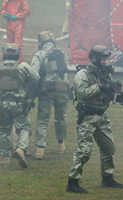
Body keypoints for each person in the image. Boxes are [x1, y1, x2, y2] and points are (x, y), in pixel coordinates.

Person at [66, 45, 123, 194]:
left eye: (107, 59)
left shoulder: (105, 75)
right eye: (103, 59)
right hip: (88, 116)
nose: (106, 62)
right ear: (96, 59)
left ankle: (108, 178)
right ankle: (72, 182)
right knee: (84, 150)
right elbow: (82, 93)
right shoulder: (83, 74)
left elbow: (108, 95)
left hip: (102, 115)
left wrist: (118, 95)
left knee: (108, 148)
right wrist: (99, 87)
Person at [0, 43, 40, 168]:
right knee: (24, 128)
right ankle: (21, 149)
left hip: (2, 104)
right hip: (18, 104)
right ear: (18, 53)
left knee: (4, 130)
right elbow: (36, 78)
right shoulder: (23, 66)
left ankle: (4, 158)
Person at [30, 31, 70, 160]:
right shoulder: (62, 53)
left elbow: (33, 73)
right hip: (63, 89)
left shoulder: (40, 54)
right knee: (61, 117)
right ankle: (60, 144)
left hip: (47, 90)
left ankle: (40, 149)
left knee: (43, 119)